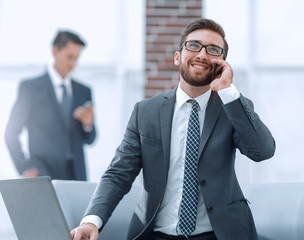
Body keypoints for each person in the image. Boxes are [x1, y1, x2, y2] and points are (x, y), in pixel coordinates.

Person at [71, 18, 275, 240]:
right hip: (156, 234)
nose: (202, 54)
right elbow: (119, 173)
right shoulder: (146, 112)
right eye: (194, 45)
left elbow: (262, 151)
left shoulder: (232, 108)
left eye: (213, 50)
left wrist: (227, 89)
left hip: (219, 234)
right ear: (178, 57)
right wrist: (91, 221)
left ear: (223, 63)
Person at [5, 30, 96, 181]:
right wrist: (25, 167)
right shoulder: (30, 88)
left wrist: (88, 125)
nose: (73, 63)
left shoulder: (84, 91)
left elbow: (90, 139)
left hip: (76, 176)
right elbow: (11, 132)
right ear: (55, 51)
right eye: (69, 57)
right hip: (42, 174)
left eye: (77, 58)